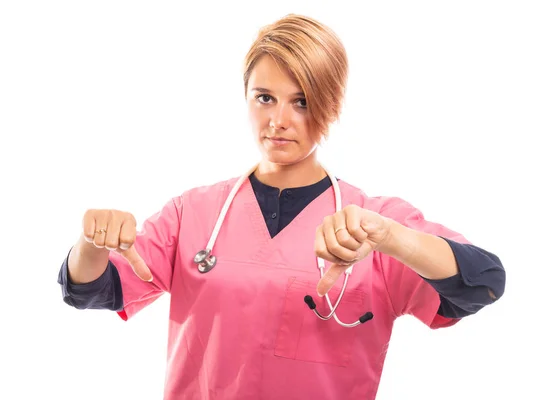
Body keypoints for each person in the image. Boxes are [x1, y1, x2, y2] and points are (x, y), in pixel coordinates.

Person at [57, 14, 506, 399]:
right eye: (265, 97)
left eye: (302, 102)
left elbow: (483, 283)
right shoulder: (193, 214)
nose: (279, 121)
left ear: (331, 105)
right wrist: (92, 242)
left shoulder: (370, 223)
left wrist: (391, 237)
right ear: (246, 96)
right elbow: (90, 289)